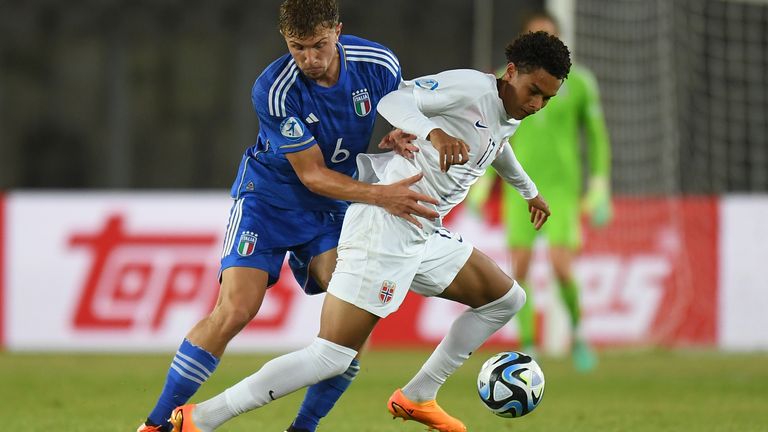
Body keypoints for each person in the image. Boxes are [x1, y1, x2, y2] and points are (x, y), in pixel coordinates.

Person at [168, 30, 571, 432]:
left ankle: (418, 396)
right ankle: (201, 419)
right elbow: (395, 100)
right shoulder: (471, 86)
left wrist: (529, 192)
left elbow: (496, 144)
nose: (536, 104)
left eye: (546, 98)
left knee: (505, 299)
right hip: (384, 224)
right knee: (331, 356)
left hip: (422, 229)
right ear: (512, 71)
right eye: (533, 91)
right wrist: (432, 132)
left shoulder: (508, 112)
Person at [136, 1, 440, 431]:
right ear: (285, 40)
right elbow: (312, 174)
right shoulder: (274, 89)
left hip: (332, 207)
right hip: (268, 200)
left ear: (338, 30)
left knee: (354, 319)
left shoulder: (379, 63)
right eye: (298, 48)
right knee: (236, 310)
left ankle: (302, 428)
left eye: (319, 45)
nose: (310, 59)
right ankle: (153, 426)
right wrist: (380, 195)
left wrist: (394, 131)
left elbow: (399, 111)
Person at [468, 11, 611, 372]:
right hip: (520, 189)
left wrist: (599, 186)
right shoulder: (506, 82)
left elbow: (596, 139)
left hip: (562, 190)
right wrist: (482, 185)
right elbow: (492, 135)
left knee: (562, 267)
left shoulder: (578, 84)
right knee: (521, 271)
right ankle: (529, 346)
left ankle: (578, 335)